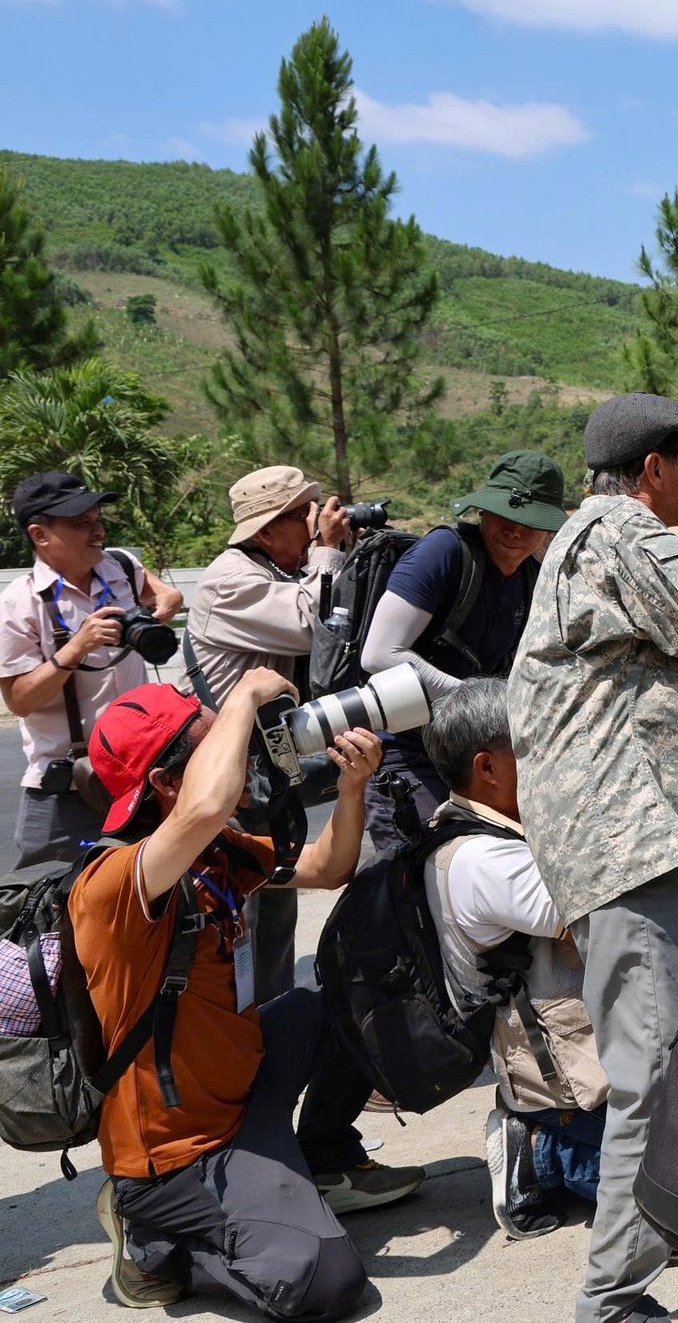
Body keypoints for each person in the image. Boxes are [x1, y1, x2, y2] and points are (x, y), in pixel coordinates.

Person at [508, 392, 678, 1323]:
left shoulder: (617, 546)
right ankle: (613, 1301)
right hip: (624, 844)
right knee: (652, 1075)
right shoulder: (613, 527)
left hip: (638, 842)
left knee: (661, 1068)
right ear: (655, 464)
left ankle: (642, 1275)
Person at [72, 677, 425, 1317]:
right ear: (165, 786)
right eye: (217, 750)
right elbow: (205, 808)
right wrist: (241, 699)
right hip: (183, 1154)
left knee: (344, 992)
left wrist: (352, 788)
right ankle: (155, 1243)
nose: (240, 761)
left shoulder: (215, 851)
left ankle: (320, 1157)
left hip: (245, 1085)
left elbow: (328, 866)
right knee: (323, 1281)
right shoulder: (115, 883)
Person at [419, 677, 608, 1242]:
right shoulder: (488, 859)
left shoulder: (480, 829)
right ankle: (538, 1151)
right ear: (488, 768)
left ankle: (546, 1137)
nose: (554, 756)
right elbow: (604, 923)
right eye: (533, 746)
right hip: (567, 1079)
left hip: (566, 1060)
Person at [178, 465, 355, 1003]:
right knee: (241, 914)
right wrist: (328, 554)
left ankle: (273, 1025)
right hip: (229, 779)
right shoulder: (230, 579)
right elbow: (313, 624)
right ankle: (236, 1028)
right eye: (305, 514)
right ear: (264, 531)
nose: (316, 522)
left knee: (276, 904)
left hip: (266, 774)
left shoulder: (281, 570)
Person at [361, 451, 569, 852]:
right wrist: (473, 700)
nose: (514, 531)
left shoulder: (532, 578)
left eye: (530, 523)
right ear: (483, 512)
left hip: (472, 762)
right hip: (407, 754)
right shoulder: (444, 553)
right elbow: (379, 653)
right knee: (417, 881)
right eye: (504, 516)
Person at [1, 471, 182, 868]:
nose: (96, 530)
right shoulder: (19, 604)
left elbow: (166, 595)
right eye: (81, 524)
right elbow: (19, 700)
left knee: (158, 906)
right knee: (49, 912)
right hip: (69, 790)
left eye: (98, 519)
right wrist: (76, 648)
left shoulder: (121, 565)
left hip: (144, 776)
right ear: (40, 535)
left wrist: (162, 608)